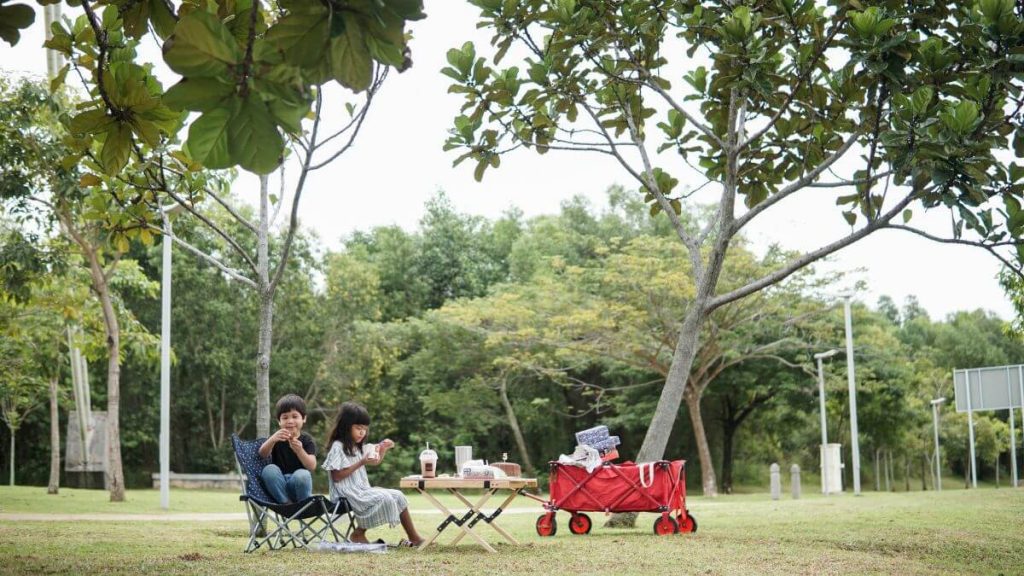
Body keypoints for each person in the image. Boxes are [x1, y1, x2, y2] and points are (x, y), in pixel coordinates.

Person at [323, 401, 424, 547]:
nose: (362, 432)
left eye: (364, 429)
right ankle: (358, 533)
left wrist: (383, 449)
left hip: (361, 489)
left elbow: (374, 461)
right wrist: (361, 462)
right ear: (345, 426)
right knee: (384, 497)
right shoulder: (338, 447)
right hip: (345, 493)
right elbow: (336, 476)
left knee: (398, 495)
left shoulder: (357, 447)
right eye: (358, 428)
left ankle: (414, 537)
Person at [258, 394, 316, 504]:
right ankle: (286, 503)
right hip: (279, 486)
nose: (290, 421)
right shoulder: (276, 438)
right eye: (285, 417)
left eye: (295, 417)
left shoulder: (307, 440)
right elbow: (262, 454)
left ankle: (303, 505)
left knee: (302, 474)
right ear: (279, 421)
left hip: (298, 486)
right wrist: (272, 439)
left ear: (304, 419)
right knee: (269, 469)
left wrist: (299, 450)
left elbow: (312, 466)